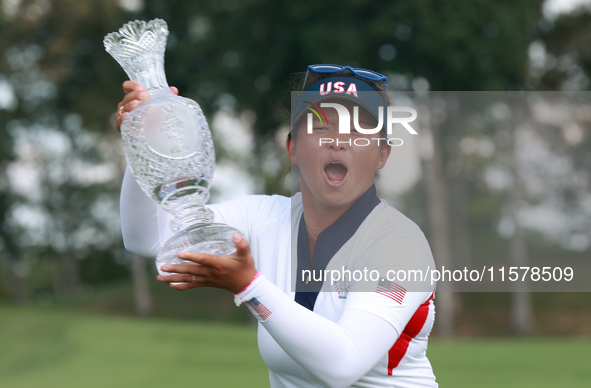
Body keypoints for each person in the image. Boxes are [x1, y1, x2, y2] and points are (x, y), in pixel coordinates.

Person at [116, 64, 438, 388]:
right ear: (293, 148)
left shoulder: (400, 244)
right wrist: (141, 144)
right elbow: (149, 237)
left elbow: (343, 363)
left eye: (358, 130)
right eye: (321, 125)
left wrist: (249, 286)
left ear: (382, 154)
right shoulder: (263, 217)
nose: (338, 141)